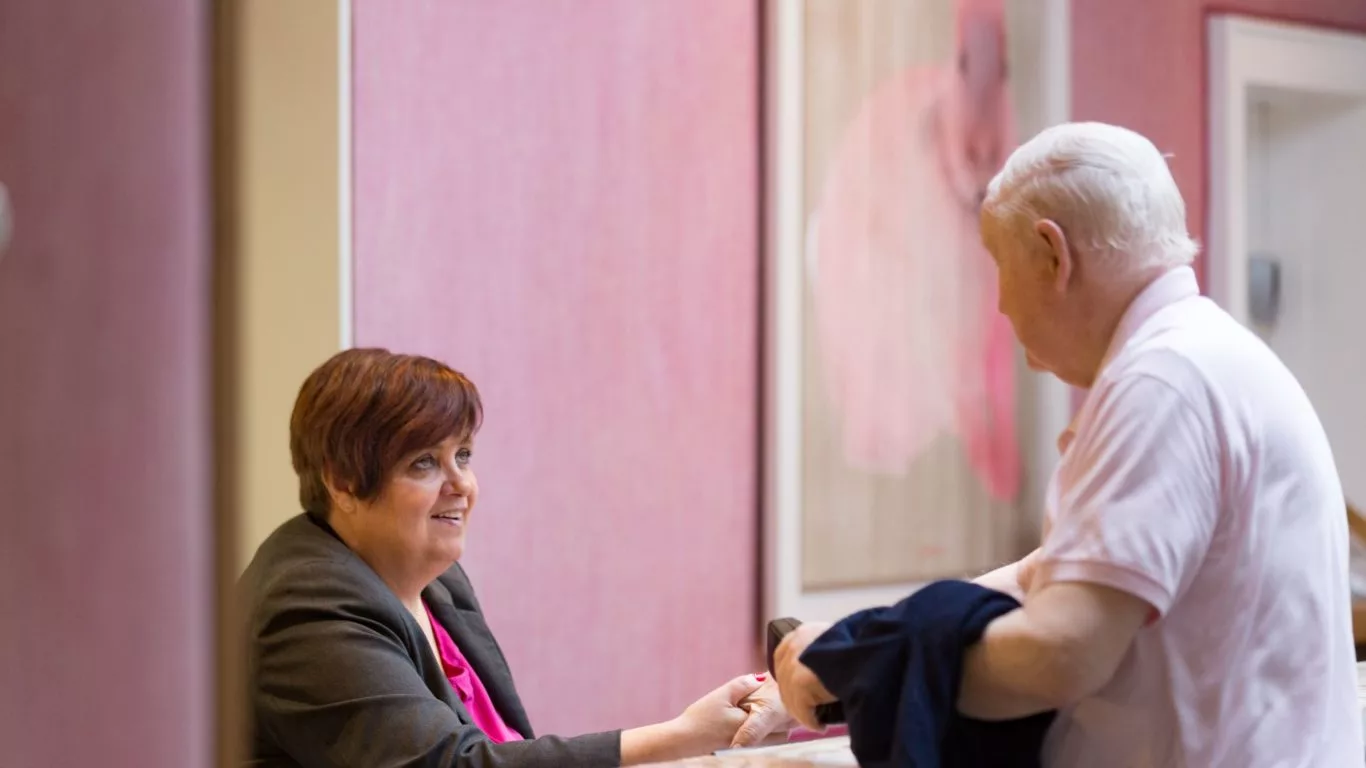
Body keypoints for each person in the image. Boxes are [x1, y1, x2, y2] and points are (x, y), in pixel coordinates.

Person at [774, 121, 1364, 766]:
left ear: (1053, 254)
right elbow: (1052, 570)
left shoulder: (1164, 382)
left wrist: (861, 670)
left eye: (999, 266)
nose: (999, 305)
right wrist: (848, 641)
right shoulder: (1207, 356)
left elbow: (1061, 653)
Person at [241, 348, 792, 767]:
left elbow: (504, 746)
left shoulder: (438, 580)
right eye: (423, 464)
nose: (461, 485)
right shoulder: (306, 604)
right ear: (341, 482)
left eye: (462, 454)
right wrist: (685, 734)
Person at [807, 0, 1019, 499]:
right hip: (906, 266)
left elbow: (985, 174)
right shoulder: (906, 113)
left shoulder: (988, 120)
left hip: (951, 271)